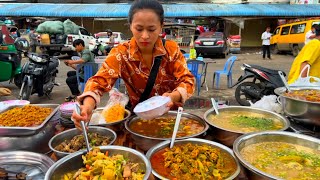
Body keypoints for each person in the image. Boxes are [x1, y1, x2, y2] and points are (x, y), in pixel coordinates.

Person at [72, 0, 195, 129]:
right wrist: (87, 107)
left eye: (152, 29)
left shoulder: (171, 49)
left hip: (172, 117)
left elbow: (187, 80)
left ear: (161, 26)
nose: (145, 36)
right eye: (139, 29)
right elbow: (99, 82)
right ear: (130, 26)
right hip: (139, 119)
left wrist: (173, 97)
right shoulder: (121, 53)